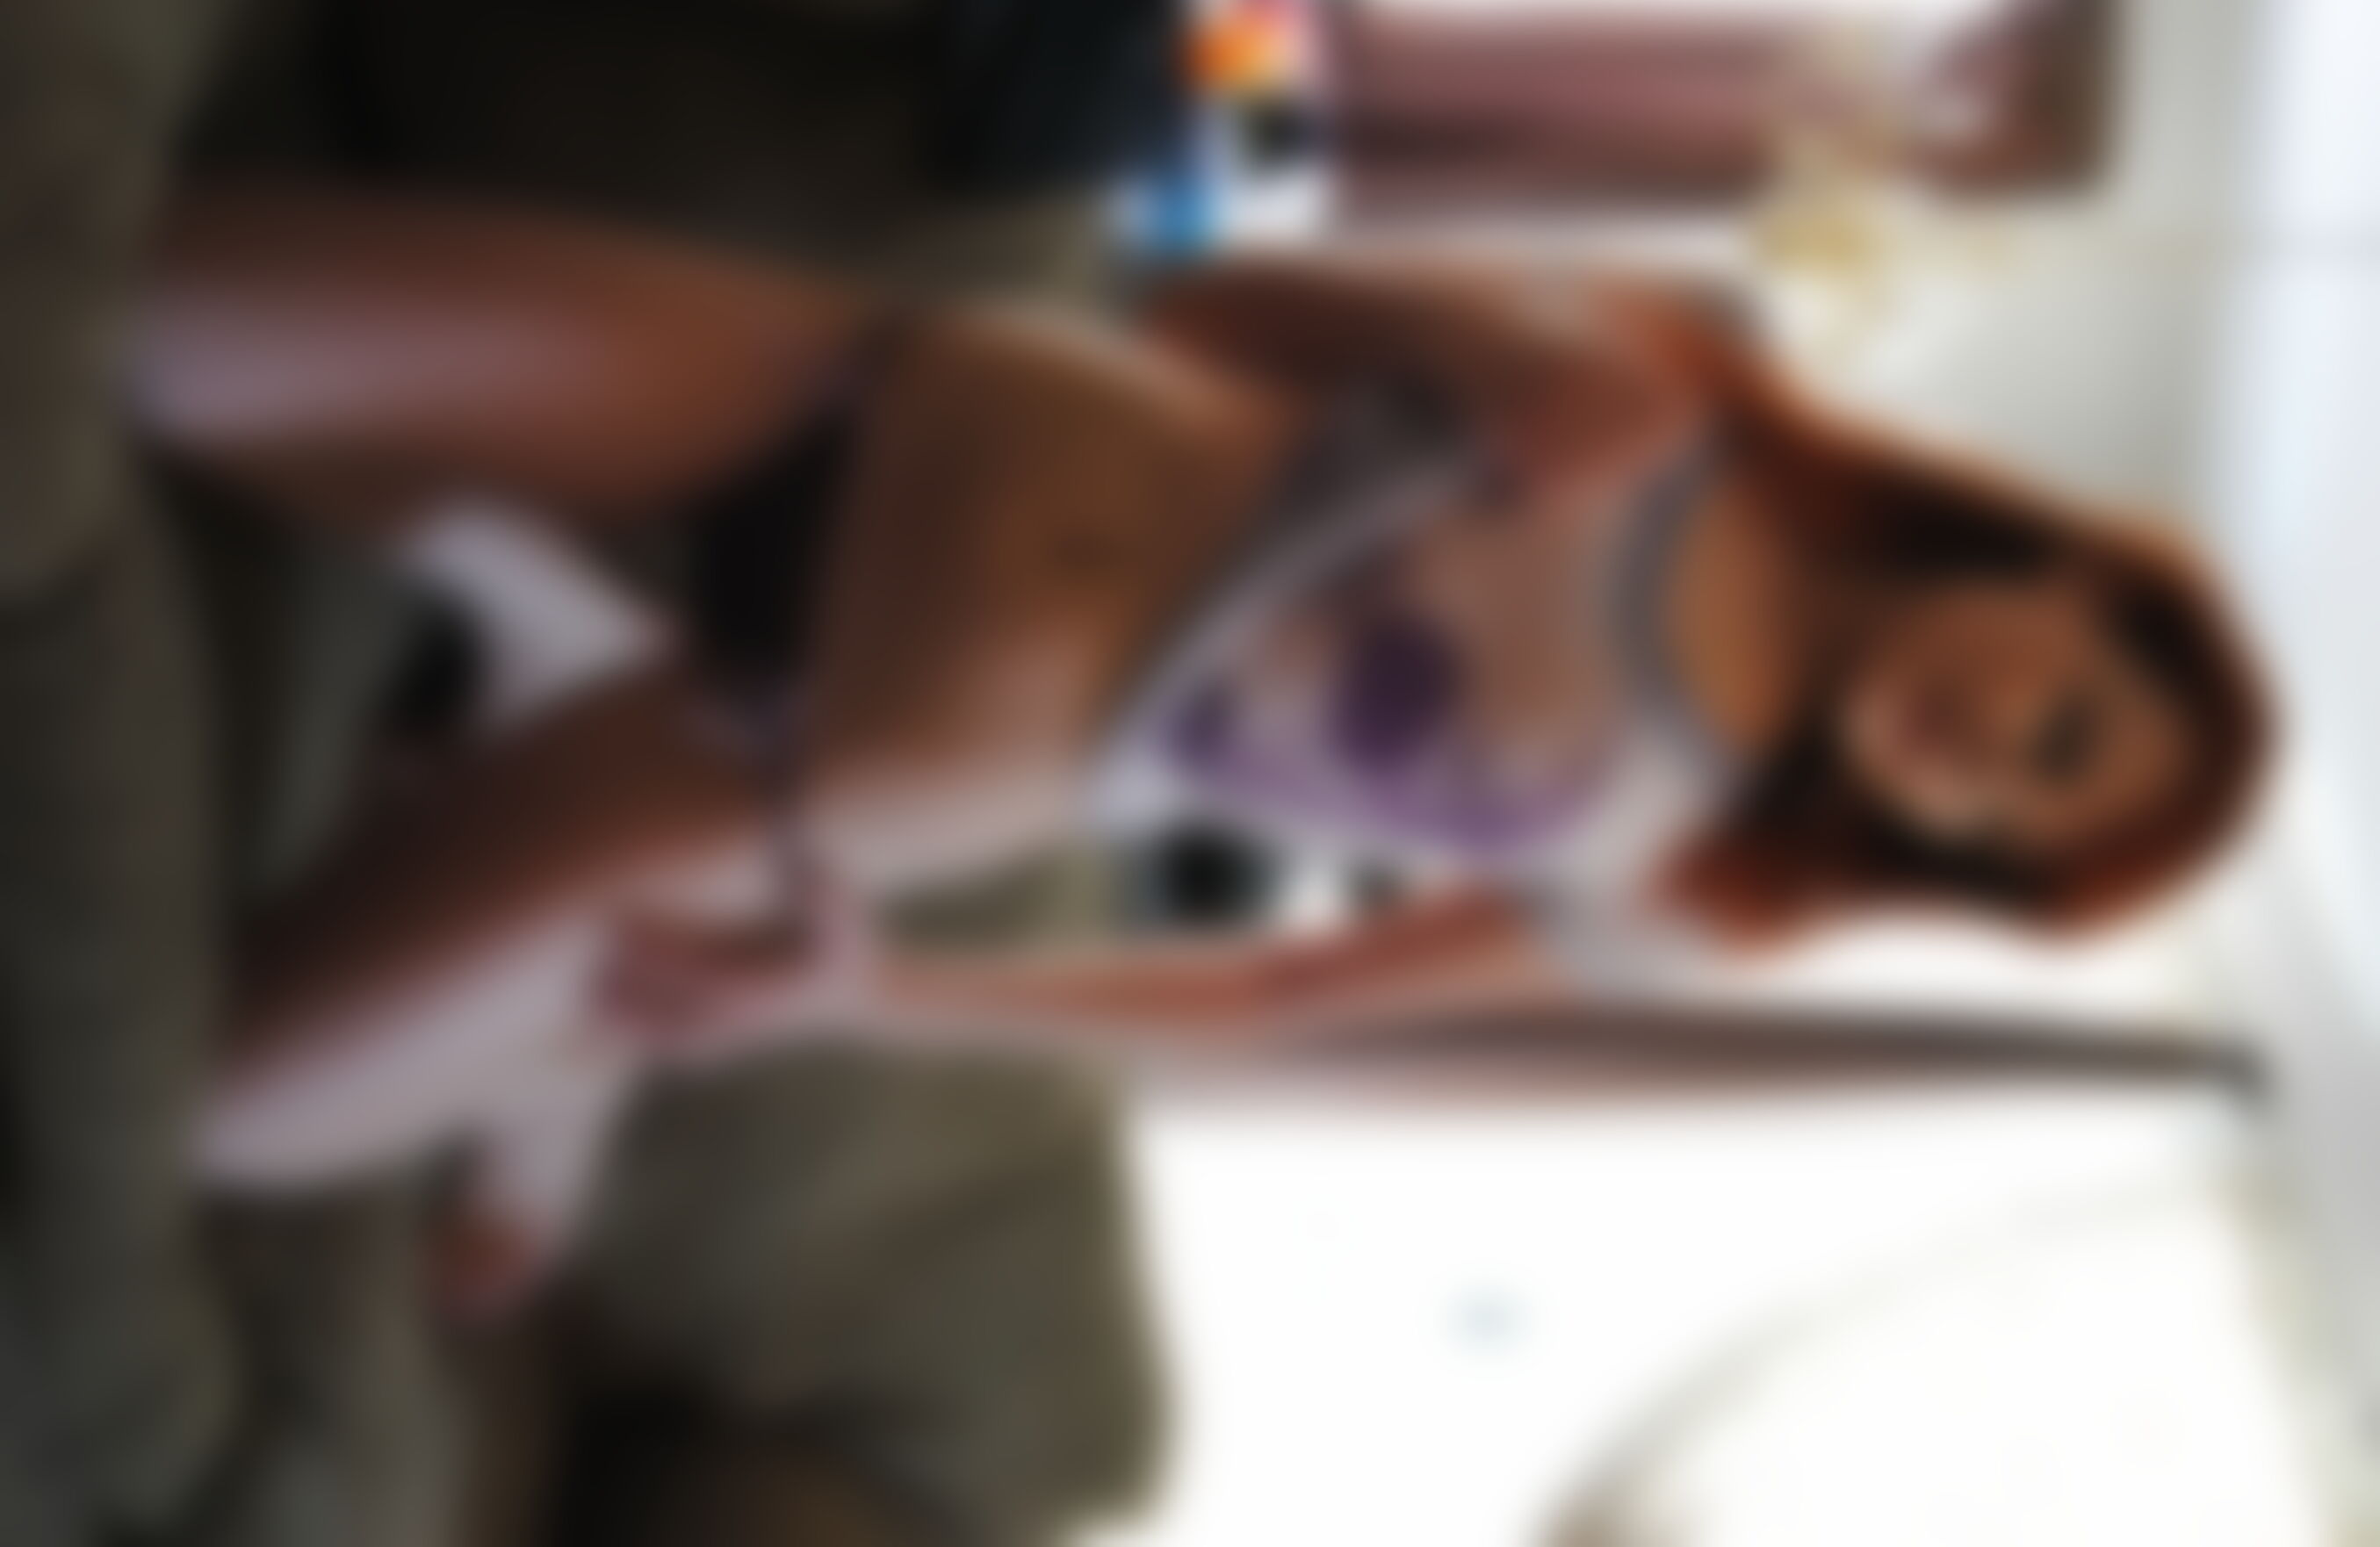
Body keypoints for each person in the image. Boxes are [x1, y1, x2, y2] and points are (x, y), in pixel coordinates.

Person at [137, 183, 2268, 1284]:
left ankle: (558, 1045)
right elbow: (1194, 310)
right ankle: (544, 619)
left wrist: (865, 993)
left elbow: (1274, 997)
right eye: (2065, 716)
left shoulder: (1692, 890)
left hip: (798, 758)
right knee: (145, 316)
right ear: (2069, 576)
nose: (1981, 760)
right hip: (867, 392)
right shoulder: (1701, 364)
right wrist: (1471, 336)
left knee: (226, 1114)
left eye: (2009, 819)